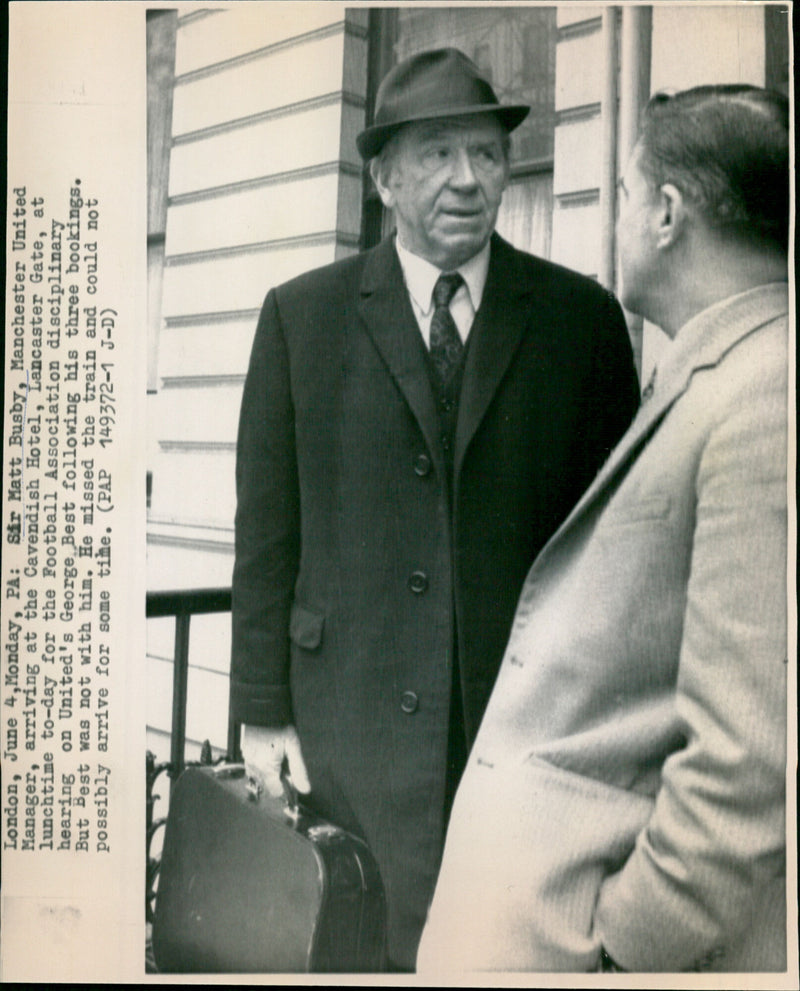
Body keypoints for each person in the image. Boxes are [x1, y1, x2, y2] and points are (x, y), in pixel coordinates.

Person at [230, 47, 639, 970]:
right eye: (438, 155)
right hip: (348, 728)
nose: (469, 179)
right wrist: (262, 712)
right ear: (383, 177)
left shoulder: (581, 321)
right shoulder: (302, 317)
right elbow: (267, 531)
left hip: (521, 734)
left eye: (487, 155)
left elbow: (616, 550)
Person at [417, 84, 790, 973]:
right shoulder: (713, 368)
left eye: (624, 195)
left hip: (579, 944)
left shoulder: (767, 392)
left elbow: (747, 760)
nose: (616, 219)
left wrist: (626, 948)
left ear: (665, 214)